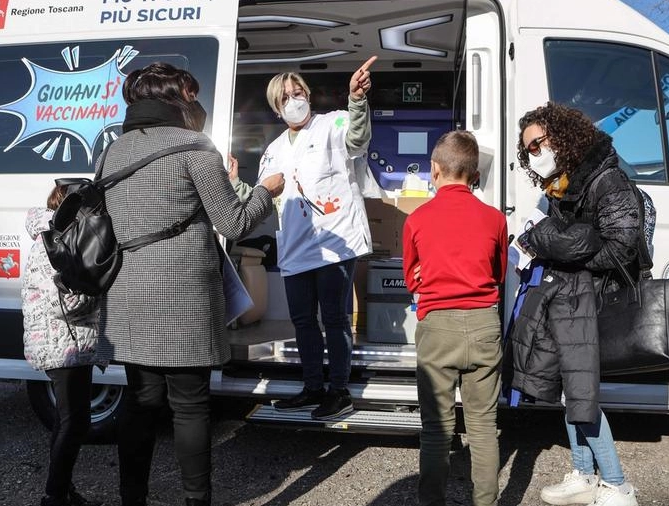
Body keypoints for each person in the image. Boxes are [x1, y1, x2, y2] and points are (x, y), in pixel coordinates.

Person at [96, 62, 284, 506]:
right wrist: (264, 191)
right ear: (174, 98)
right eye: (190, 93)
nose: (196, 102)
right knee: (190, 406)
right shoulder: (195, 148)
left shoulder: (110, 153)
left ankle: (132, 498)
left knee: (140, 402)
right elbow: (232, 222)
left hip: (127, 296)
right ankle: (196, 500)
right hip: (184, 299)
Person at [511, 102, 640, 506]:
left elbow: (623, 245)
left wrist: (564, 251)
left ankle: (617, 485)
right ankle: (584, 476)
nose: (535, 154)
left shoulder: (607, 179)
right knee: (571, 387)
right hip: (572, 296)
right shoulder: (562, 186)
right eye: (529, 149)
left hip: (597, 297)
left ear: (563, 136)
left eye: (539, 143)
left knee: (582, 391)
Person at [261, 56, 377, 420]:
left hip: (335, 242)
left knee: (335, 319)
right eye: (285, 98)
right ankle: (312, 387)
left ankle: (339, 390)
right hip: (294, 248)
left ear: (308, 95)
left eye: (298, 92)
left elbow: (358, 139)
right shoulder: (274, 149)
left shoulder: (333, 123)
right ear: (277, 109)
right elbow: (264, 197)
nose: (294, 100)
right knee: (303, 321)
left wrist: (357, 100)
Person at [401, 130, 508, 506]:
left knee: (436, 430)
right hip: (483, 325)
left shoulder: (417, 219)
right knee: (483, 428)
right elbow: (498, 274)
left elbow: (411, 275)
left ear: (434, 170)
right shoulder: (494, 219)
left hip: (437, 328)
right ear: (474, 174)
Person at [22, 184, 106, 506]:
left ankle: (61, 490)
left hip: (66, 341)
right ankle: (54, 496)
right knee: (76, 422)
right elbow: (68, 304)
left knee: (65, 420)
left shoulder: (52, 239)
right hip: (64, 344)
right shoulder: (55, 243)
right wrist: (99, 294)